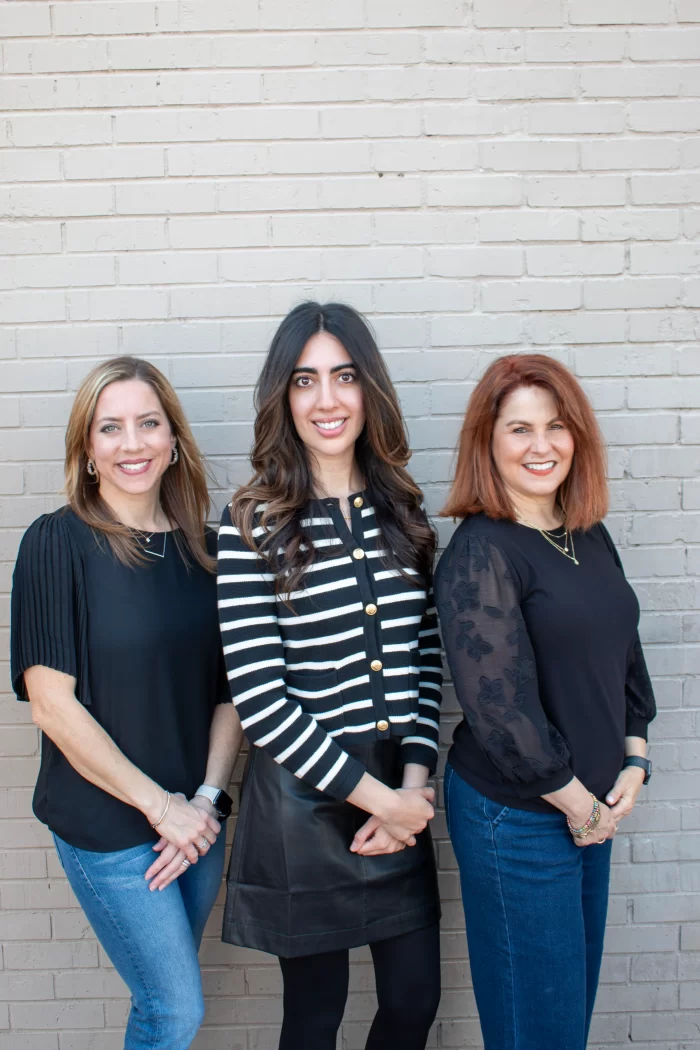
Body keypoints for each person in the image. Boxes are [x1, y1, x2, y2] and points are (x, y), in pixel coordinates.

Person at [217, 301, 443, 1050]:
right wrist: (383, 800)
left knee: (413, 1002)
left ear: (368, 388)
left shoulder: (404, 510)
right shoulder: (252, 522)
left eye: (344, 376)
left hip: (397, 793)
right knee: (315, 1018)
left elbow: (425, 660)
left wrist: (411, 787)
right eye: (305, 380)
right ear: (282, 397)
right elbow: (261, 699)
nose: (326, 399)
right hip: (304, 802)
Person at [11, 356, 243, 1050]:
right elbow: (51, 706)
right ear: (87, 450)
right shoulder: (57, 543)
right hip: (109, 828)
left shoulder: (207, 554)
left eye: (148, 423)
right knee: (174, 1010)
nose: (132, 443)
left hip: (195, 828)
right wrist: (161, 808)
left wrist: (205, 800)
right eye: (110, 428)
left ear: (174, 440)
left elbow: (231, 694)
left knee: (164, 1002)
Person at [434, 354, 656, 1050]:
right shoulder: (480, 552)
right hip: (519, 818)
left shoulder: (587, 534)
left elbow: (624, 653)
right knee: (541, 1029)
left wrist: (634, 760)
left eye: (556, 427)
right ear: (488, 443)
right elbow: (501, 711)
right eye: (519, 429)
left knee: (566, 1017)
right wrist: (581, 805)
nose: (540, 446)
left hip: (589, 807)